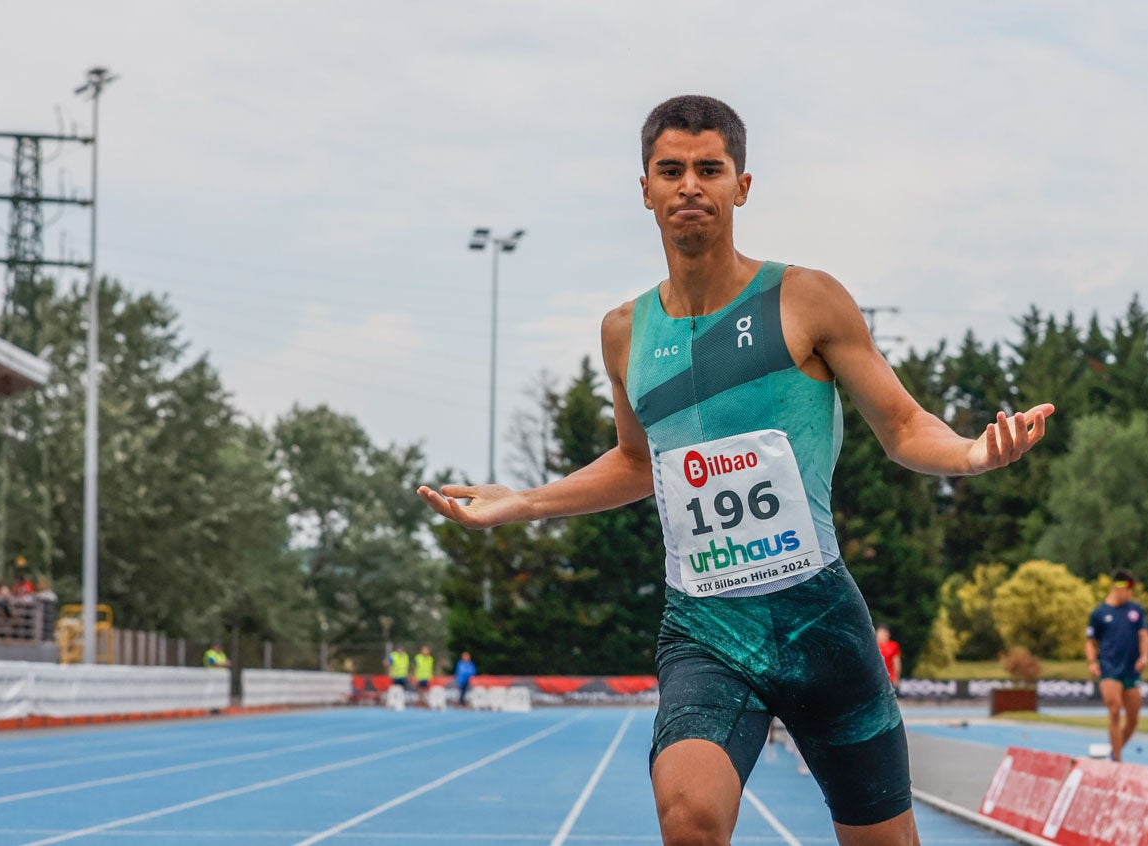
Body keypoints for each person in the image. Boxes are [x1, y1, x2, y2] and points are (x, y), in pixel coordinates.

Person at [418, 94, 1054, 846]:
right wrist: (521, 501)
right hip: (704, 625)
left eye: (709, 169)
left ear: (740, 187)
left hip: (819, 620)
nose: (690, 184)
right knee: (688, 817)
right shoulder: (624, 333)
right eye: (671, 169)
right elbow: (634, 462)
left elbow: (907, 425)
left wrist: (975, 453)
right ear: (646, 189)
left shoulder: (804, 299)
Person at [1085, 570, 1148, 763]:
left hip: (1131, 669)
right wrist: (1092, 662)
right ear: (1117, 587)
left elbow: (1144, 635)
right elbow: (1090, 641)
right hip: (1109, 668)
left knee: (1133, 719)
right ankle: (1118, 761)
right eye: (1127, 588)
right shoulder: (1099, 613)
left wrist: (1145, 656)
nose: (1130, 593)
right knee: (1114, 709)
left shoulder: (1136, 611)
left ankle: (1115, 751)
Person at [876, 625, 902, 694]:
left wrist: (896, 678)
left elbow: (897, 663)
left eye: (883, 633)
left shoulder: (893, 646)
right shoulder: (873, 645)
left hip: (890, 679)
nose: (881, 635)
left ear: (887, 634)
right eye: (879, 633)